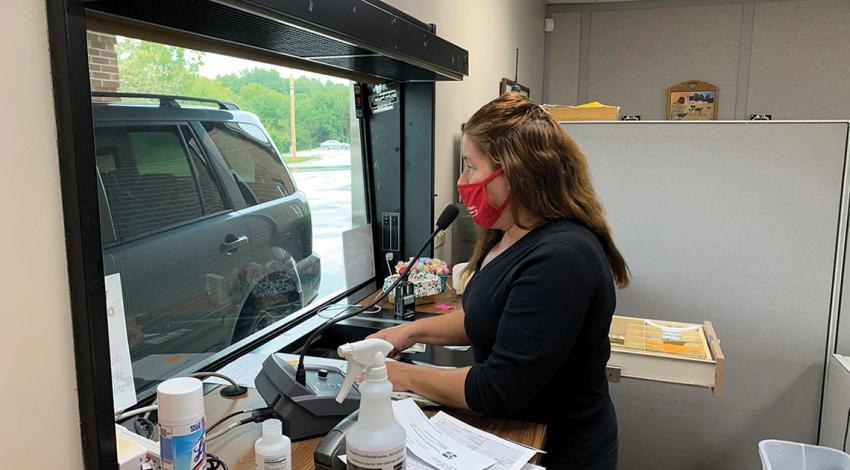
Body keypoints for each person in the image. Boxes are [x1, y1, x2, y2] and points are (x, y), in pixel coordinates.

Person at [368, 92, 630, 469]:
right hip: (514, 432)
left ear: (515, 170)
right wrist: (410, 333)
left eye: (470, 166)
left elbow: (498, 388)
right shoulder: (508, 231)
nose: (461, 181)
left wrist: (403, 376)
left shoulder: (560, 258)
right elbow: (487, 313)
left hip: (556, 448)